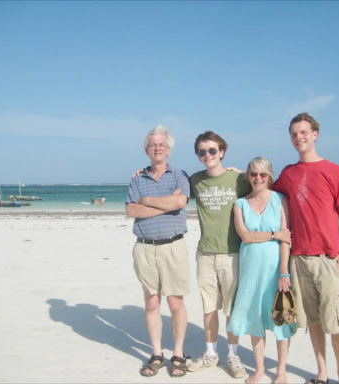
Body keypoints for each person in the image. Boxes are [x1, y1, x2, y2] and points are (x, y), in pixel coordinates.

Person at [273, 112, 339, 384]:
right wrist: (237, 175)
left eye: (304, 132)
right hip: (299, 260)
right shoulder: (288, 173)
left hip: (329, 259)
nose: (299, 138)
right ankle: (322, 372)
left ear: (315, 134)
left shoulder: (335, 171)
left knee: (338, 322)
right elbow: (264, 190)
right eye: (294, 134)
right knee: (314, 321)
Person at [125, 125, 191, 378]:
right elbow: (131, 211)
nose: (157, 147)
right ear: (146, 149)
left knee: (175, 302)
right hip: (145, 247)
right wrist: (166, 205)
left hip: (173, 246)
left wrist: (147, 201)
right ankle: (156, 354)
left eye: (162, 144)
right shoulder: (137, 178)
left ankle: (177, 353)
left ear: (169, 148)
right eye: (153, 144)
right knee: (152, 301)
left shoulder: (179, 175)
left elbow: (180, 202)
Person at [187, 131, 250, 378]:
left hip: (232, 253)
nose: (207, 155)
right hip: (205, 253)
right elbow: (171, 188)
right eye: (202, 152)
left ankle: (233, 354)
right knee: (209, 307)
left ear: (222, 152)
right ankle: (211, 353)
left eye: (212, 150)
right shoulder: (195, 180)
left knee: (232, 309)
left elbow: (267, 186)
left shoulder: (238, 180)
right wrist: (142, 173)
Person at [227, 157, 294, 384]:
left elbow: (287, 238)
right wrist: (274, 235)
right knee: (255, 319)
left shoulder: (280, 199)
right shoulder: (240, 204)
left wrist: (284, 271)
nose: (258, 178)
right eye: (254, 174)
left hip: (276, 270)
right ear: (248, 176)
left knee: (280, 319)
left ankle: (282, 371)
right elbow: (245, 236)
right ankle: (259, 370)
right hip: (250, 271)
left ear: (270, 176)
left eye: (262, 174)